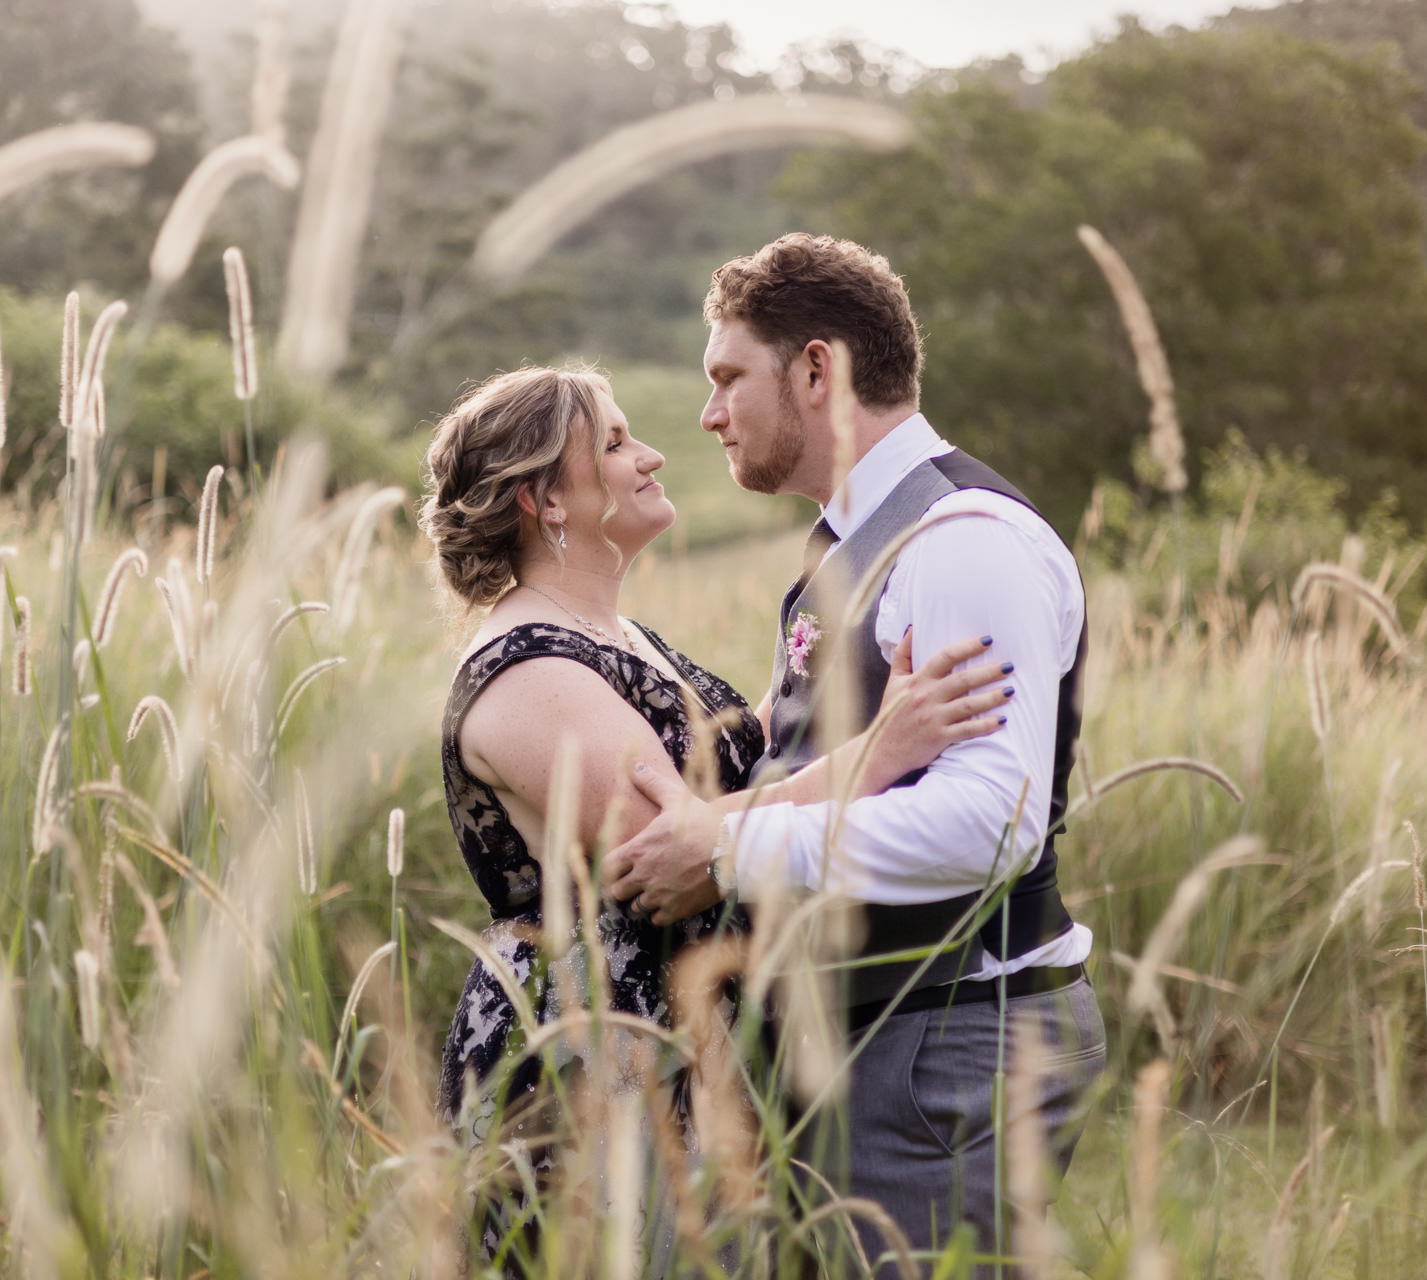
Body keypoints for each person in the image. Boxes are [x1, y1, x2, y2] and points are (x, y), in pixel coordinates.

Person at [416, 363, 1016, 1263]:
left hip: (683, 1054)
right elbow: (681, 855)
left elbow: (739, 770)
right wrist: (881, 751)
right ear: (544, 499)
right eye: (616, 444)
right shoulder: (526, 669)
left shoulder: (619, 638)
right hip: (591, 1071)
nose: (652, 455)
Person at [602, 234, 1106, 1277]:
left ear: (818, 369)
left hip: (952, 1038)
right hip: (880, 1034)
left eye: (728, 377)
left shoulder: (965, 539)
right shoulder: (848, 540)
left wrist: (731, 855)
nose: (708, 413)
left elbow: (989, 825)